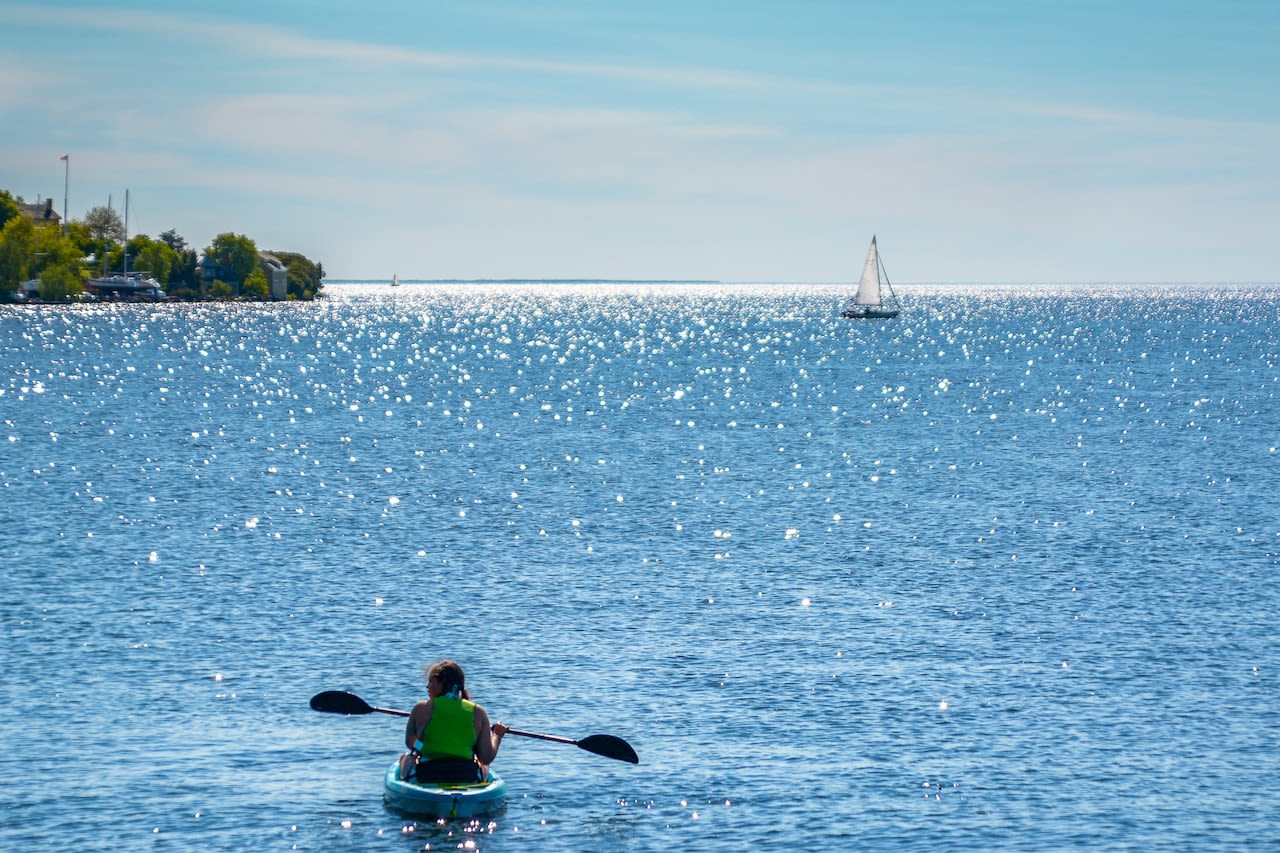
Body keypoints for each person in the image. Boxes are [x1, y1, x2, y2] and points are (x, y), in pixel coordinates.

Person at [398, 660, 508, 783]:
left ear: (443, 683)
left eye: (431, 681)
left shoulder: (421, 708)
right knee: (483, 764)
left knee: (405, 757)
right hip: (466, 775)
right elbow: (486, 757)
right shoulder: (478, 711)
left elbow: (410, 743)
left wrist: (422, 744)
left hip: (427, 774)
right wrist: (497, 735)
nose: (427, 686)